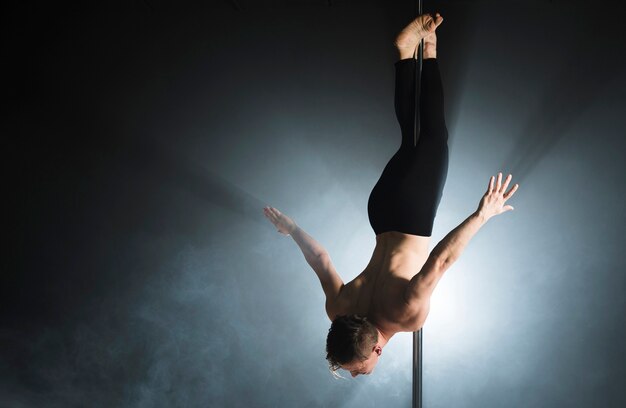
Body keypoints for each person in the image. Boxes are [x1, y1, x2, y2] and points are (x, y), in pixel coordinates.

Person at [263, 13, 519, 378]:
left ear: (377, 348)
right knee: (411, 138)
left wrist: (483, 214)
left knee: (433, 137)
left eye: (357, 367)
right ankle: (416, 49)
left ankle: (419, 49)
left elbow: (441, 261)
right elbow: (319, 258)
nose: (356, 374)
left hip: (410, 214)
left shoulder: (405, 315)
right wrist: (291, 227)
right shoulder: (339, 309)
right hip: (380, 211)